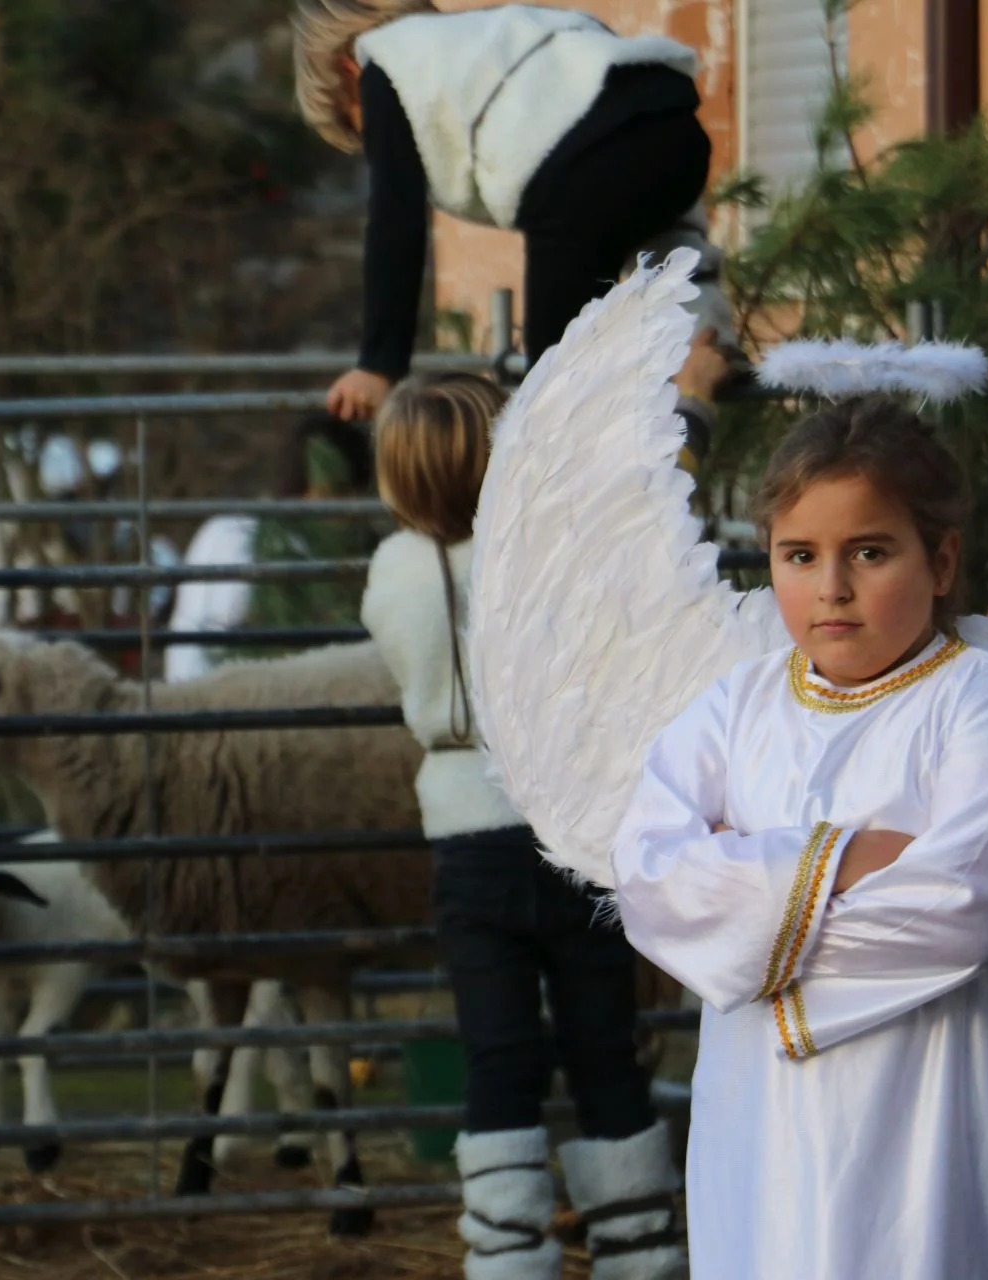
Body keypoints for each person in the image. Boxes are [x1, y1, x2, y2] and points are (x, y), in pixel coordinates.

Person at [613, 397, 988, 1278]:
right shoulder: (730, 710)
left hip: (923, 1122)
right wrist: (859, 856)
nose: (830, 587)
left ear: (941, 558)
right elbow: (649, 880)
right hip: (753, 1123)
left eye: (868, 551)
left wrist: (746, 903)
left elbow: (961, 910)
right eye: (799, 556)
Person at [361, 374, 687, 1280]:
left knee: (498, 1056)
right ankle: (641, 1253)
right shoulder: (552, 558)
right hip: (570, 830)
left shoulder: (395, 574)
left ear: (398, 479)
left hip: (467, 840)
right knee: (604, 1050)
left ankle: (509, 1260)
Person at [292, 0, 739, 423]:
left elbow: (396, 220)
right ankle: (707, 342)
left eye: (359, 127)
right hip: (675, 126)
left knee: (551, 397)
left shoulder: (382, 64)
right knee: (672, 243)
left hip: (582, 174)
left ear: (347, 69)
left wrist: (378, 365)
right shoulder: (498, 33)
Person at [166, 414, 376, 680]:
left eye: (357, 494)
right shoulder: (250, 542)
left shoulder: (227, 532)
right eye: (336, 492)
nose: (350, 510)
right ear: (299, 487)